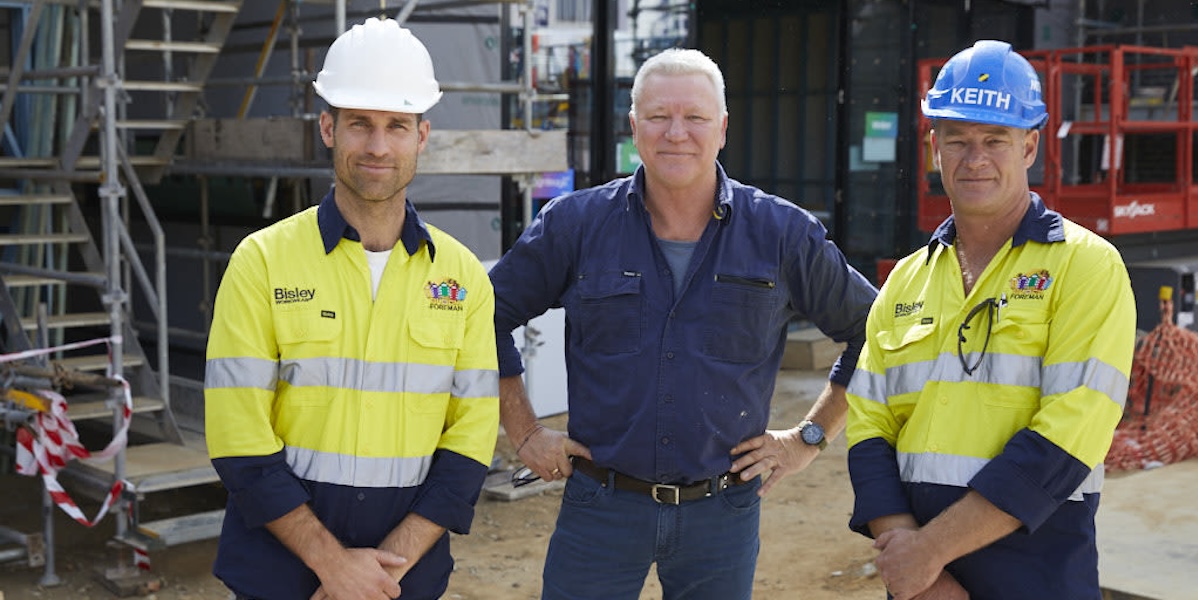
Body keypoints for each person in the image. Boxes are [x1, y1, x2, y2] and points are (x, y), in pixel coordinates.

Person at [489, 48, 877, 599]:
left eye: (695, 118)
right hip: (601, 508)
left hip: (722, 515)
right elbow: (485, 314)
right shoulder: (575, 226)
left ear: (722, 129)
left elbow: (877, 330)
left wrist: (810, 436)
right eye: (658, 116)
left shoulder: (782, 234)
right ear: (634, 127)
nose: (676, 133)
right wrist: (524, 430)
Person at [203, 17, 498, 600]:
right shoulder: (261, 261)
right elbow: (238, 437)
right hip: (281, 573)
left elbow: (470, 440)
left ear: (423, 135)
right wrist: (334, 567)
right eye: (360, 123)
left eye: (397, 125)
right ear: (328, 128)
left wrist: (385, 567)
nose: (378, 145)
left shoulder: (462, 276)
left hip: (402, 577)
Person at [845, 40, 1136, 600]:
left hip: (1037, 569)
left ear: (1029, 146)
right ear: (934, 148)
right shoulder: (905, 279)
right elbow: (867, 427)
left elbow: (1071, 435)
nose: (974, 158)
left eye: (995, 140)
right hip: (920, 576)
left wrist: (930, 551)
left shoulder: (1086, 266)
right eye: (957, 139)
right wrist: (915, 563)